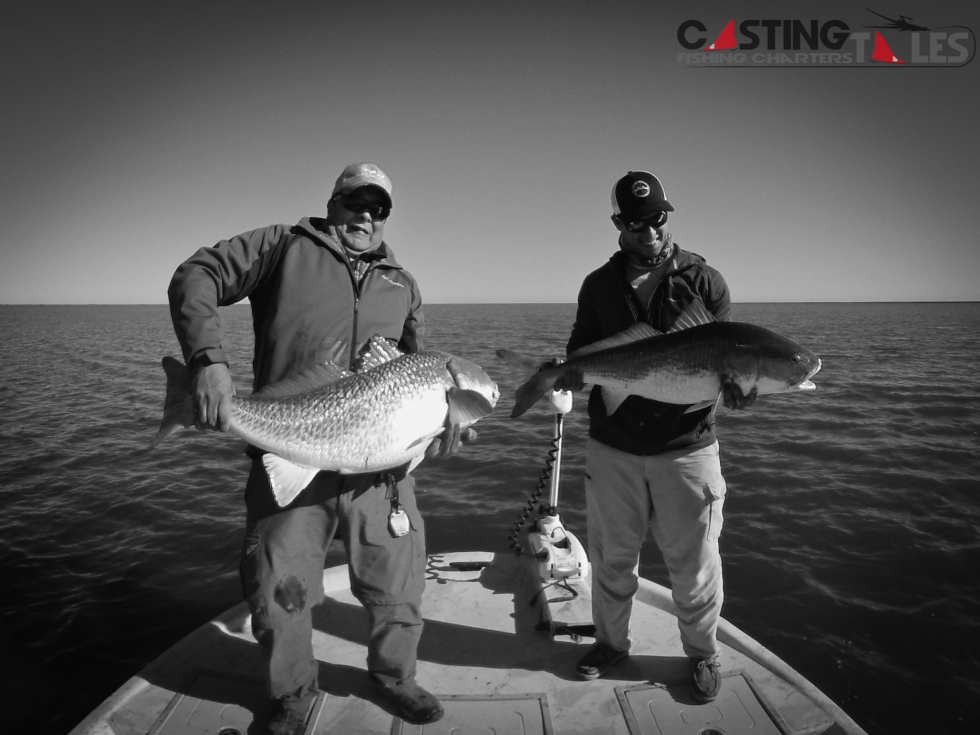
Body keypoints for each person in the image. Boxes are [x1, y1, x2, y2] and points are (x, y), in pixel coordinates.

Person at [167, 163, 454, 733]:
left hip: (381, 476)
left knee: (399, 585)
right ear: (334, 201)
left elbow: (417, 369)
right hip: (297, 455)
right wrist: (208, 362)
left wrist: (445, 422)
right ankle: (292, 698)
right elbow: (196, 274)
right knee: (282, 590)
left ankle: (395, 677)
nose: (367, 215)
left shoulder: (403, 283)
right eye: (357, 201)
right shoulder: (283, 247)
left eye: (380, 207)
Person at [563, 170, 755, 703]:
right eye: (636, 221)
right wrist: (574, 373)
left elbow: (726, 359)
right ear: (618, 223)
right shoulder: (598, 285)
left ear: (668, 216)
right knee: (611, 559)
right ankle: (610, 644)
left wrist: (740, 391)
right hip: (613, 446)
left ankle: (701, 653)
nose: (649, 230)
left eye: (658, 218)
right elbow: (581, 347)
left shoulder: (706, 281)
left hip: (687, 450)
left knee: (695, 567)